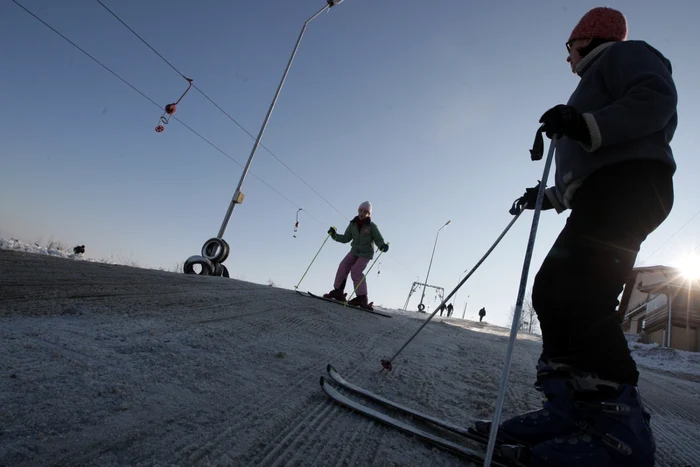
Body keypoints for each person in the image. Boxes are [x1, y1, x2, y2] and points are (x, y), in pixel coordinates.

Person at [492, 7, 677, 467]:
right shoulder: (587, 87)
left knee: (581, 289)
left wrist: (584, 124)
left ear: (590, 38)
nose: (567, 57)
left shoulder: (627, 55)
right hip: (607, 187)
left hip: (634, 182)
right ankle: (570, 408)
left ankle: (620, 431)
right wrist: (550, 196)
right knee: (552, 291)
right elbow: (589, 166)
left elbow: (656, 99)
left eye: (570, 46)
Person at [323, 201, 389, 310]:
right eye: (360, 210)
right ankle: (338, 291)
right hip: (354, 251)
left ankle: (362, 298)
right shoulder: (353, 224)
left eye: (365, 212)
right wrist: (334, 235)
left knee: (356, 271)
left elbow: (378, 239)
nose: (362, 213)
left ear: (369, 214)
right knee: (343, 266)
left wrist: (382, 246)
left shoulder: (371, 226)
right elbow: (346, 238)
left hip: (365, 253)